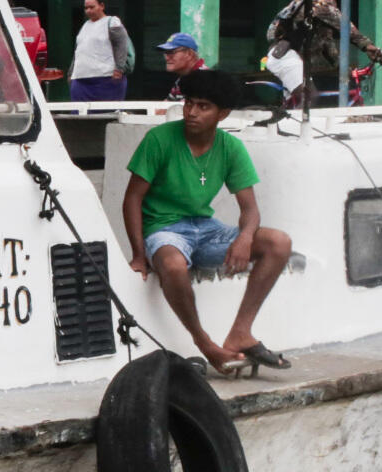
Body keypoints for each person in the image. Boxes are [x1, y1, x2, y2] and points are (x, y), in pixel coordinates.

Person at [122, 68, 294, 375]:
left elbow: (250, 210)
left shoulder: (231, 148)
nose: (192, 112)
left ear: (222, 114)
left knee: (278, 242)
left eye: (203, 106)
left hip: (206, 229)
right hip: (164, 230)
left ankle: (241, 332)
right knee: (174, 265)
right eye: (189, 103)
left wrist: (244, 238)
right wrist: (138, 254)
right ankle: (206, 345)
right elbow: (132, 198)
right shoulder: (159, 139)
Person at [268, 0, 382, 107]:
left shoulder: (322, 2)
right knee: (309, 98)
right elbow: (344, 25)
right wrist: (367, 46)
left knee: (298, 106)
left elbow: (327, 43)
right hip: (286, 55)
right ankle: (299, 129)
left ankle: (286, 125)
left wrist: (346, 71)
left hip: (290, 58)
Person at [68, 0, 133, 102]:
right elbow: (78, 51)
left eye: (92, 7)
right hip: (81, 79)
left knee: (107, 113)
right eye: (86, 8)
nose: (88, 11)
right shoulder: (85, 26)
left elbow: (121, 46)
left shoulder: (112, 22)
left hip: (105, 77)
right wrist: (71, 72)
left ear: (102, 6)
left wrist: (119, 69)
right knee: (79, 114)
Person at [158, 31, 207, 99]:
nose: (167, 58)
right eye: (166, 53)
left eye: (171, 52)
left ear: (189, 54)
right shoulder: (184, 78)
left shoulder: (204, 79)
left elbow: (192, 109)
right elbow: (163, 108)